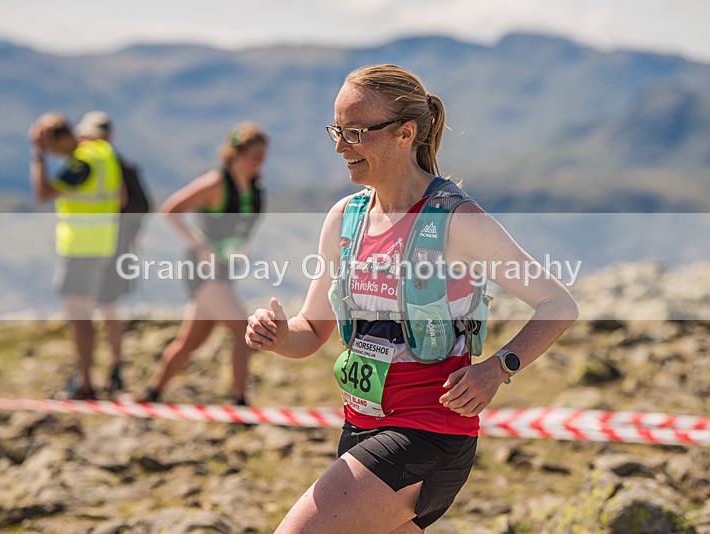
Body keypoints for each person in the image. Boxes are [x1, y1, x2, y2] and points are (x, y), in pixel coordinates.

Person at [245, 64, 579, 532]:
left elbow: (559, 305)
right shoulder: (345, 218)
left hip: (429, 434)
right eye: (337, 130)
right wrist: (279, 335)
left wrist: (498, 367)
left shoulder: (456, 219)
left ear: (405, 134)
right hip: (359, 426)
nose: (341, 147)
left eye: (357, 132)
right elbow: (311, 332)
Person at [136, 122, 268, 405]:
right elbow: (170, 210)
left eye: (263, 156)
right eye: (255, 155)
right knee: (242, 329)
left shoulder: (254, 189)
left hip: (225, 270)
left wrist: (243, 251)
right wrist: (199, 244)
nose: (260, 162)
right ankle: (240, 402)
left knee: (190, 342)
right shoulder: (216, 183)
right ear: (236, 153)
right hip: (202, 269)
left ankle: (152, 393)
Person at [28, 112, 123, 400]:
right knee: (91, 311)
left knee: (79, 316)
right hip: (104, 243)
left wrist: (38, 156)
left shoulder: (80, 164)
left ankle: (85, 383)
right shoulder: (102, 152)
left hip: (81, 248)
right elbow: (121, 197)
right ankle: (91, 374)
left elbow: (44, 193)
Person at [75, 111, 152, 394]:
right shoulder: (126, 166)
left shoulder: (96, 164)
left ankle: (87, 375)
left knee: (87, 310)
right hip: (119, 249)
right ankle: (115, 367)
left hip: (99, 248)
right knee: (109, 309)